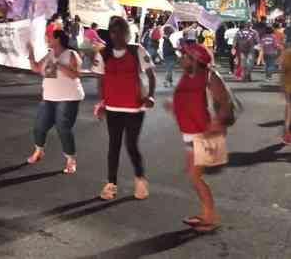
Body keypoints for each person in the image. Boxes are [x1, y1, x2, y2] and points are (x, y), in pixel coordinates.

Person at [92, 16, 157, 201]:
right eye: (114, 32)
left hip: (134, 108)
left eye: (121, 31)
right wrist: (102, 102)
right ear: (110, 34)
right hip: (113, 107)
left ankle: (140, 179)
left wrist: (150, 95)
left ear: (127, 33)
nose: (118, 35)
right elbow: (101, 80)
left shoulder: (137, 50)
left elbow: (151, 75)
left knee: (131, 146)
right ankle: (111, 184)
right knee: (114, 146)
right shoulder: (103, 54)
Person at [169, 43, 231, 233]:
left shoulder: (210, 76)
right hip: (191, 132)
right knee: (194, 177)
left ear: (195, 59)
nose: (181, 58)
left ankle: (210, 217)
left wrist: (217, 125)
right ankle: (206, 214)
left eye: (184, 55)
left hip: (203, 134)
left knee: (195, 177)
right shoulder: (188, 75)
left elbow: (226, 104)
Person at [26, 30, 84, 174]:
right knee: (39, 127)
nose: (47, 39)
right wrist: (31, 53)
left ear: (58, 39)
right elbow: (35, 68)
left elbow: (75, 74)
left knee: (63, 128)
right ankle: (39, 151)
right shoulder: (49, 54)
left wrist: (58, 65)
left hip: (68, 98)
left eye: (50, 37)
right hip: (49, 97)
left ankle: (71, 159)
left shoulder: (71, 54)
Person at [281, 47, 291, 145]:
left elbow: (283, 71)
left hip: (288, 85)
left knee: (289, 107)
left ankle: (287, 132)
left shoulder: (287, 53)